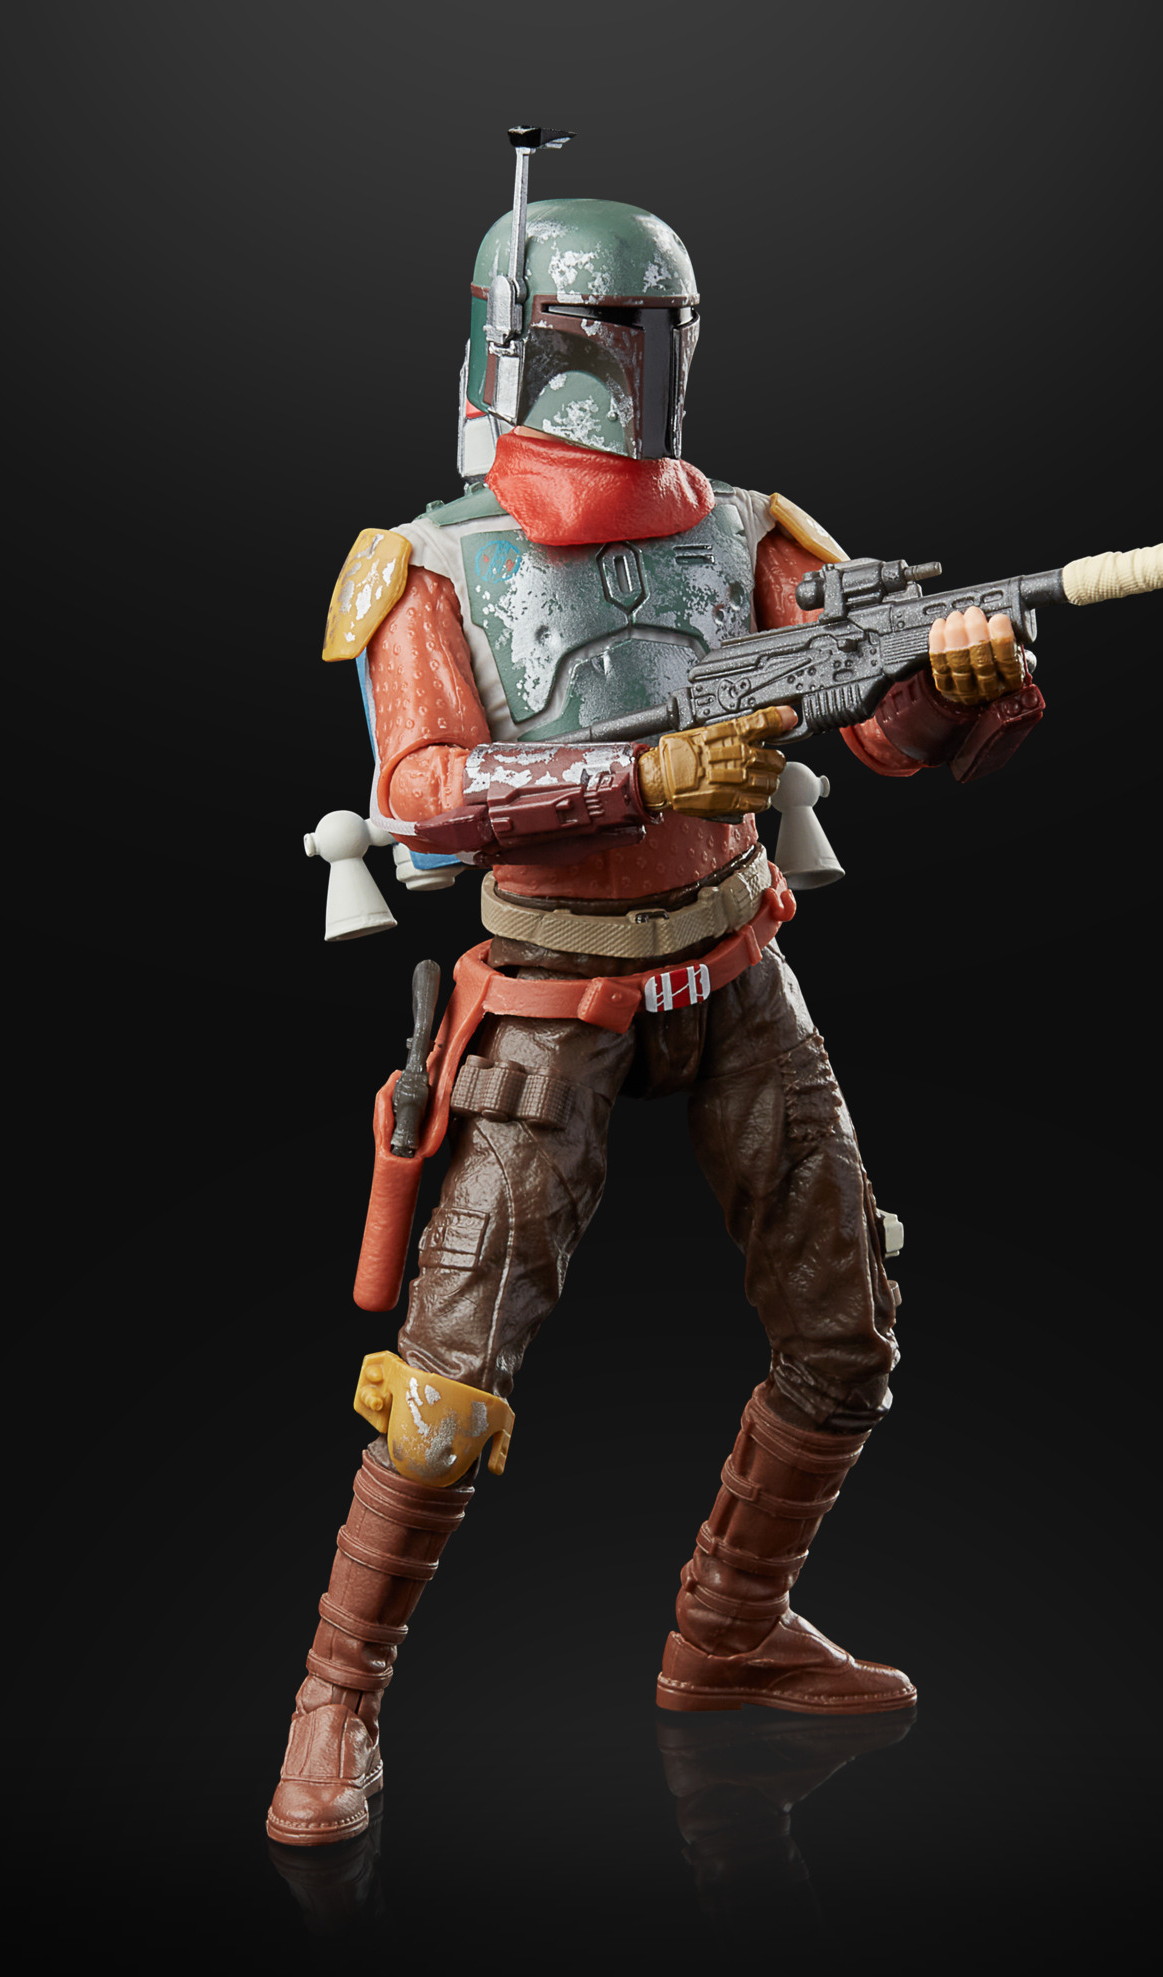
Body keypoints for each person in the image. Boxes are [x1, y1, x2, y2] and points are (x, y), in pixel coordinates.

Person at [266, 179, 1033, 1848]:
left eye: (654, 332)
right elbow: (423, 791)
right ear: (519, 346)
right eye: (603, 333)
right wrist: (640, 776)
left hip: (739, 968)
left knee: (847, 1329)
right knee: (448, 1388)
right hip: (548, 999)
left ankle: (731, 1634)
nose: (630, 366)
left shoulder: (744, 528)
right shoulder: (431, 563)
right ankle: (335, 1698)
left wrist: (948, 684)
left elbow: (878, 731)